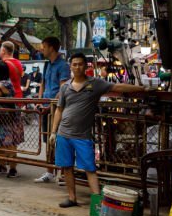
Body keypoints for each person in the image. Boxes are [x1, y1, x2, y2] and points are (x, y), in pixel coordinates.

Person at [52, 53, 146, 208]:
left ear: (86, 66)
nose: (77, 67)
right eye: (74, 64)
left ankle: (97, 200)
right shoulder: (65, 87)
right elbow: (59, 110)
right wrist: (54, 131)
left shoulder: (95, 84)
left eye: (80, 64)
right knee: (67, 167)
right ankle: (72, 197)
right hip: (63, 133)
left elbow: (117, 87)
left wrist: (141, 89)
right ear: (71, 67)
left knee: (90, 168)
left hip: (82, 136)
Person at [35, 36, 71, 184]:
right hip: (46, 106)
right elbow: (42, 84)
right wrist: (40, 101)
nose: (42, 49)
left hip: (57, 108)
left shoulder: (63, 65)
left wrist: (50, 103)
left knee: (59, 140)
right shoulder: (46, 64)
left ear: (51, 48)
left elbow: (63, 88)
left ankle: (62, 173)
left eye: (44, 46)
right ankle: (49, 171)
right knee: (47, 140)